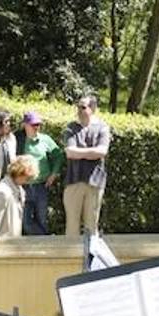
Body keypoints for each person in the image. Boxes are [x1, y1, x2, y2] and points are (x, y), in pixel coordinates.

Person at [61, 95, 112, 237]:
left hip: (95, 182)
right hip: (73, 181)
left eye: (83, 107)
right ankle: (71, 251)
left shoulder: (102, 127)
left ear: (92, 109)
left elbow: (102, 151)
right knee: (72, 225)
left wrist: (80, 152)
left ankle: (91, 251)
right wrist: (91, 153)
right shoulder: (71, 128)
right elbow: (70, 152)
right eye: (78, 106)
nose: (79, 110)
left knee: (92, 225)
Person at [15, 112, 63, 236]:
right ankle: (47, 239)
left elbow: (58, 155)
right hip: (23, 186)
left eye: (38, 124)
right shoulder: (17, 140)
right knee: (25, 223)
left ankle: (43, 245)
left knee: (42, 220)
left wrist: (54, 174)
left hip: (41, 186)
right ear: (25, 125)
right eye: (33, 125)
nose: (36, 127)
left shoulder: (45, 139)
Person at [0, 155, 37, 238]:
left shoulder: (20, 191)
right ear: (19, 172)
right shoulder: (3, 192)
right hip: (2, 243)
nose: (27, 182)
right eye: (27, 178)